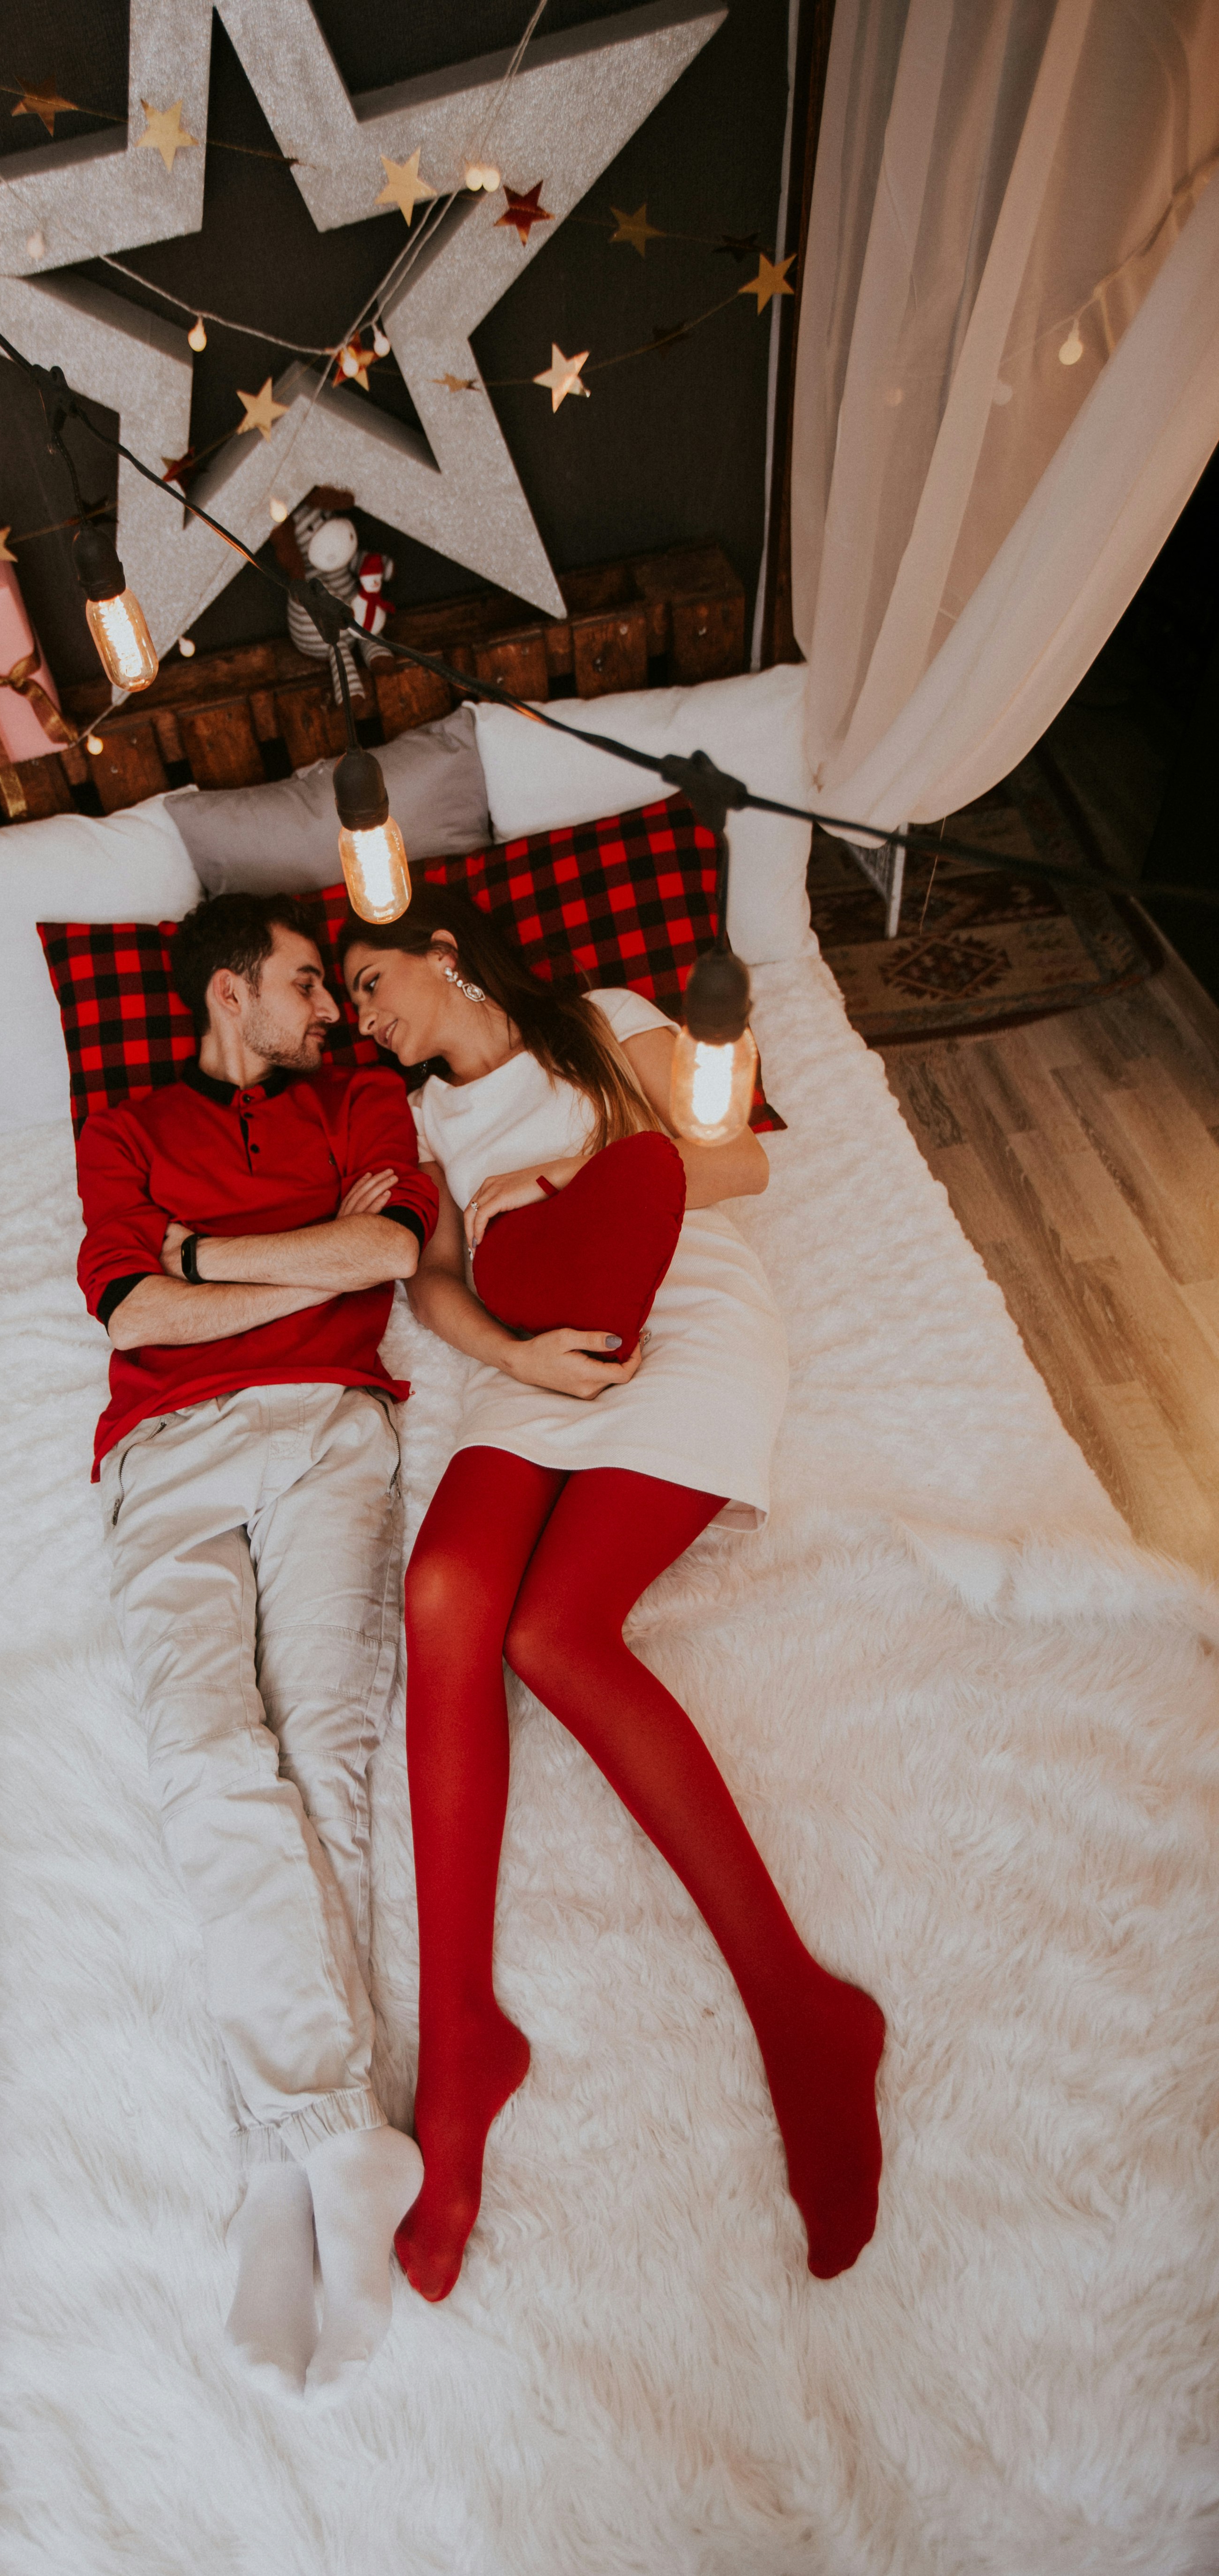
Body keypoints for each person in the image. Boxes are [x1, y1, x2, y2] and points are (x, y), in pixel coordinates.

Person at [340, 885, 887, 2301]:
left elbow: (743, 1168)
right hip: (534, 1350)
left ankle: (801, 2007)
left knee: (555, 1632)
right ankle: (462, 2045)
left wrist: (578, 1186)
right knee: (450, 1592)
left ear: (444, 951)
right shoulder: (426, 1125)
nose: (364, 1011)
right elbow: (440, 1289)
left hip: (679, 1314)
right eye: (348, 1002)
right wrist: (516, 1361)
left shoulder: (608, 1027)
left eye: (372, 977)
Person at [75, 893, 438, 2402]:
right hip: (163, 1453)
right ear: (229, 990)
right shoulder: (121, 1126)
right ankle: (334, 2151)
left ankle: (283, 2177)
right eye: (304, 984)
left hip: (326, 1436)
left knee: (324, 1757)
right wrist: (293, 1254)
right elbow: (122, 1303)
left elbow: (391, 1256)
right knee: (203, 1754)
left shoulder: (360, 1098)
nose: (331, 1012)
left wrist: (211, 1261)